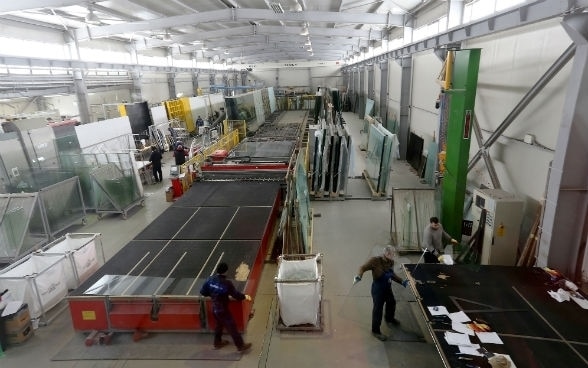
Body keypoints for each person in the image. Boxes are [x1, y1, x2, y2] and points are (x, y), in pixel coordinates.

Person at [353, 246, 408, 341]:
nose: (394, 255)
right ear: (387, 254)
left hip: (387, 287)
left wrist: (401, 281)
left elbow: (392, 275)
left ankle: (389, 318)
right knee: (378, 310)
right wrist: (359, 275)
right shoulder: (375, 261)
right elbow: (362, 267)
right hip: (378, 289)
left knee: (391, 302)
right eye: (392, 254)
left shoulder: (391, 262)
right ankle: (375, 331)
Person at [200, 262, 253, 352]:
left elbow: (203, 292)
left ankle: (217, 342)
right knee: (232, 327)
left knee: (219, 325)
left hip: (215, 308)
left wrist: (213, 295)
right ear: (226, 271)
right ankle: (240, 346)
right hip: (223, 310)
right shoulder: (227, 283)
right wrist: (245, 296)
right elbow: (236, 295)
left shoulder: (210, 279)